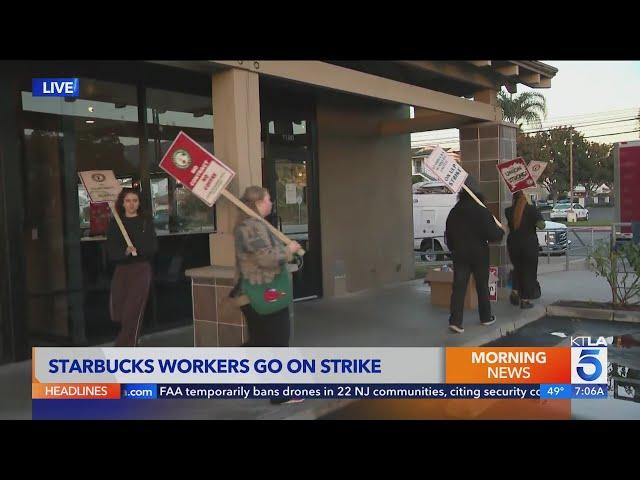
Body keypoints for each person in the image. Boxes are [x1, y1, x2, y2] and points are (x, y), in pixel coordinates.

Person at [232, 186, 303, 404]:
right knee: (278, 341)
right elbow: (264, 258)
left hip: (255, 293)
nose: (271, 202)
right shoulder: (251, 227)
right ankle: (280, 393)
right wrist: (288, 250)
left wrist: (287, 255)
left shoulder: (254, 224)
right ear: (259, 202)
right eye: (269, 199)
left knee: (262, 342)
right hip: (261, 293)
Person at [444, 181, 505, 333]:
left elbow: (448, 236)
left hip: (460, 254)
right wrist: (501, 231)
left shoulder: (454, 212)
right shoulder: (482, 211)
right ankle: (485, 317)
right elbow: (493, 235)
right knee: (482, 286)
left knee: (459, 287)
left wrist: (454, 249)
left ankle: (455, 321)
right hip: (479, 255)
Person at [105, 188, 158, 346]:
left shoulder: (145, 222)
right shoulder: (116, 224)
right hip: (122, 270)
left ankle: (125, 346)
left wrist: (138, 249)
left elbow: (153, 246)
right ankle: (129, 340)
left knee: (133, 310)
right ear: (122, 203)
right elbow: (111, 250)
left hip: (140, 269)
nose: (131, 204)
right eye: (128, 201)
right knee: (119, 311)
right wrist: (125, 252)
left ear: (139, 203)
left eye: (135, 201)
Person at [505, 191, 545, 309]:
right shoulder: (532, 210)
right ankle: (525, 299)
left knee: (518, 269)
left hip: (513, 244)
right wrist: (537, 214)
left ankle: (515, 291)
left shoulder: (508, 211)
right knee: (529, 271)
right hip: (529, 245)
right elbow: (541, 225)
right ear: (525, 197)